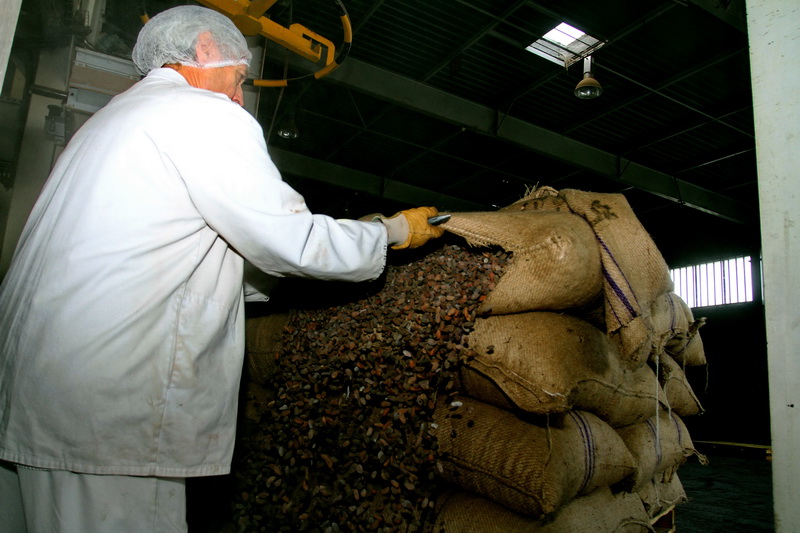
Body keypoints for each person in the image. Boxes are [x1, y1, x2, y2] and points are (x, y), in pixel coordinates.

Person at [0, 5, 444, 532]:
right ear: (206, 47)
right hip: (110, 411)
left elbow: (182, 253)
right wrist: (392, 231)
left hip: (28, 399)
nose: (238, 98)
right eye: (238, 79)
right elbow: (292, 239)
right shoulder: (200, 113)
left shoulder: (108, 122)